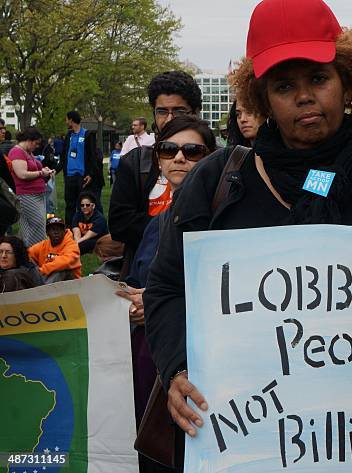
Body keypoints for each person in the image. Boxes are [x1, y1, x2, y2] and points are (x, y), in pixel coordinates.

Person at [144, 1, 352, 470]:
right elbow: (166, 285)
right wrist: (177, 366)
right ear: (263, 99)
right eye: (284, 86)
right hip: (245, 435)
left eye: (319, 79)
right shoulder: (215, 182)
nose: (304, 97)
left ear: (348, 83)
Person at [117, 116, 215, 473]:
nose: (179, 158)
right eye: (168, 149)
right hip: (149, 357)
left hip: (195, 360)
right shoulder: (156, 223)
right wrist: (132, 299)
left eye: (192, 151)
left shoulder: (221, 218)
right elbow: (136, 277)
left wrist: (157, 300)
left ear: (210, 159)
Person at [108, 71, 202, 278]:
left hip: (200, 270)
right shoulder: (135, 162)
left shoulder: (211, 159)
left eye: (179, 111)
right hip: (145, 270)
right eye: (162, 111)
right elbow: (119, 223)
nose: (169, 119)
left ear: (195, 112)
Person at [8, 127, 54, 247]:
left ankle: (23, 254)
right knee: (38, 224)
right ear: (29, 140)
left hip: (37, 194)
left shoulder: (28, 152)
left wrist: (44, 170)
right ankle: (37, 252)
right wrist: (41, 173)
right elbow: (22, 174)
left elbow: (33, 168)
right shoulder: (16, 152)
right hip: (26, 195)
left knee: (28, 228)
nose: (37, 146)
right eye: (36, 143)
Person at [59, 111, 100, 226]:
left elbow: (93, 157)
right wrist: (55, 170)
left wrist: (91, 174)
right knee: (69, 206)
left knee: (84, 205)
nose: (66, 122)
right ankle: (69, 230)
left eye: (67, 119)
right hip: (69, 177)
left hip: (82, 177)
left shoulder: (87, 134)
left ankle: (85, 228)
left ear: (71, 120)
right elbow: (63, 156)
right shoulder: (69, 136)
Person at [28, 216, 81, 283]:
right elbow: (27, 254)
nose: (56, 232)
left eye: (59, 229)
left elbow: (66, 262)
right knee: (26, 260)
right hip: (46, 278)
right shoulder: (43, 245)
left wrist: (42, 270)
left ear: (64, 231)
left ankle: (44, 291)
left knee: (61, 269)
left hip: (73, 283)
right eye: (53, 229)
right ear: (47, 232)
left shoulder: (72, 245)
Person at [71, 191, 108, 255]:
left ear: (93, 206)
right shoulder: (77, 215)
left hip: (97, 240)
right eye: (82, 205)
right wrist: (76, 243)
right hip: (82, 239)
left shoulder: (100, 219)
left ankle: (72, 253)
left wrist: (75, 245)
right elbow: (76, 233)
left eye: (87, 205)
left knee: (86, 243)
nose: (85, 207)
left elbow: (88, 236)